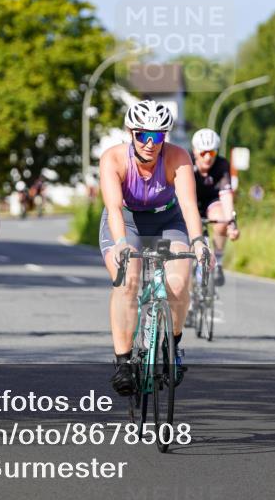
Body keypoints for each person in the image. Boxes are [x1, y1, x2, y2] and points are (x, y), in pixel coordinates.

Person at [98, 100, 211, 395]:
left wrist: (198, 242)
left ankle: (171, 344)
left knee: (180, 280)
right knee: (127, 281)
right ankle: (123, 363)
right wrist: (122, 244)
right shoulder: (113, 159)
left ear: (166, 137)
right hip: (126, 222)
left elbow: (188, 205)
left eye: (158, 136)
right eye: (143, 135)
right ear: (130, 132)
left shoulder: (178, 157)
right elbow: (112, 208)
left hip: (167, 221)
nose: (150, 143)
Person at [191, 128, 239, 288]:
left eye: (211, 153)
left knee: (221, 221)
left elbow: (226, 196)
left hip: (211, 202)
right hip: (190, 201)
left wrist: (231, 223)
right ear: (194, 151)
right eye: (203, 152)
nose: (207, 157)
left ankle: (218, 261)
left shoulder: (221, 165)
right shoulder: (186, 162)